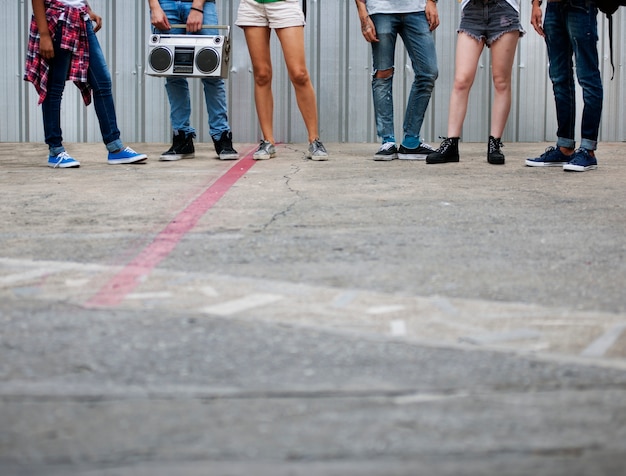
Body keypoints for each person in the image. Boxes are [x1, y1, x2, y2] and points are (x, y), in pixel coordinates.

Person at [25, 0, 147, 168]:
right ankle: (55, 150)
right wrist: (44, 34)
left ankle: (115, 148)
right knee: (54, 88)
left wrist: (87, 9)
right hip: (58, 19)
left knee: (102, 82)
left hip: (81, 19)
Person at [426, 0, 524, 165]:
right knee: (461, 80)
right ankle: (451, 143)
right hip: (472, 10)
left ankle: (495, 144)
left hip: (504, 9)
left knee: (501, 81)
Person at [235, 0, 328, 161]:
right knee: (261, 74)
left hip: (284, 4)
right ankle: (267, 141)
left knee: (299, 73)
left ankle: (314, 140)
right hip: (252, 5)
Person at [149, 0, 239, 161]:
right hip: (165, 5)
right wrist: (154, 6)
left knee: (212, 71)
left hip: (201, 4)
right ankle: (182, 138)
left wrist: (197, 6)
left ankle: (222, 137)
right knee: (173, 74)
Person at [355, 0, 440, 161]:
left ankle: (411, 142)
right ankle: (388, 141)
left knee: (428, 72)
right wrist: (362, 13)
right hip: (380, 9)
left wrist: (432, 1)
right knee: (383, 73)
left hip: (417, 9)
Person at [525, 0, 603, 172]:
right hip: (553, 7)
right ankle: (565, 147)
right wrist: (536, 4)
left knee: (587, 77)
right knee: (559, 78)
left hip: (581, 6)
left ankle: (588, 150)